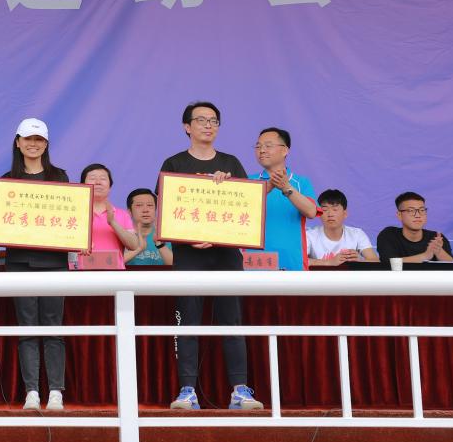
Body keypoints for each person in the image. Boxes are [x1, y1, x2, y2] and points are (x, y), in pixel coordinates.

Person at [159, 101, 262, 411]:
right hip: (189, 255)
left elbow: (245, 208)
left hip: (226, 255)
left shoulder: (231, 163)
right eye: (201, 120)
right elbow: (167, 212)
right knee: (188, 322)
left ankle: (240, 390)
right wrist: (190, 238)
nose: (208, 125)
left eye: (214, 120)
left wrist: (229, 187)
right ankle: (187, 390)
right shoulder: (174, 163)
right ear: (186, 126)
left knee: (232, 321)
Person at [0, 118, 69, 411]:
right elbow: (1, 226)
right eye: (28, 139)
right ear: (18, 142)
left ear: (46, 144)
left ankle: (56, 391)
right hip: (20, 261)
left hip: (55, 262)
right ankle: (31, 391)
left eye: (39, 140)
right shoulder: (7, 181)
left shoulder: (59, 177)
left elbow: (70, 217)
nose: (33, 144)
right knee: (27, 328)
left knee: (54, 328)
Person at [246, 128, 318, 271]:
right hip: (254, 262)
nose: (262, 150)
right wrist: (267, 187)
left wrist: (286, 187)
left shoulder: (301, 182)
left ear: (285, 150)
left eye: (268, 145)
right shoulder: (248, 181)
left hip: (292, 263)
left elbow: (311, 212)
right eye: (258, 146)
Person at [81, 164, 140, 268]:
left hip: (113, 275)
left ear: (110, 186)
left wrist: (113, 222)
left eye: (103, 179)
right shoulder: (75, 214)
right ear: (83, 185)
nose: (98, 182)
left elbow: (134, 245)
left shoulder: (122, 214)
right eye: (92, 178)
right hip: (79, 273)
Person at [375, 192, 453, 267]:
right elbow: (389, 263)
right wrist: (425, 256)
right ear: (399, 215)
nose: (417, 215)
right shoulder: (388, 235)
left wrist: (439, 251)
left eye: (422, 210)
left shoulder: (436, 237)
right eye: (411, 211)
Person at [306, 189, 380, 265]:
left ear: (345, 213)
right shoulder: (309, 235)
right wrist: (329, 262)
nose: (330, 214)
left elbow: (375, 261)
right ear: (319, 213)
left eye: (335, 209)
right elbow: (299, 261)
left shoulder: (357, 234)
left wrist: (360, 261)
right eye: (325, 210)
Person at [124, 188, 172, 266]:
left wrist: (160, 244)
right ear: (129, 212)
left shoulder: (167, 236)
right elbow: (111, 264)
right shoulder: (122, 236)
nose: (145, 210)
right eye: (139, 205)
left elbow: (175, 266)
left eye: (150, 205)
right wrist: (138, 249)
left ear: (155, 210)